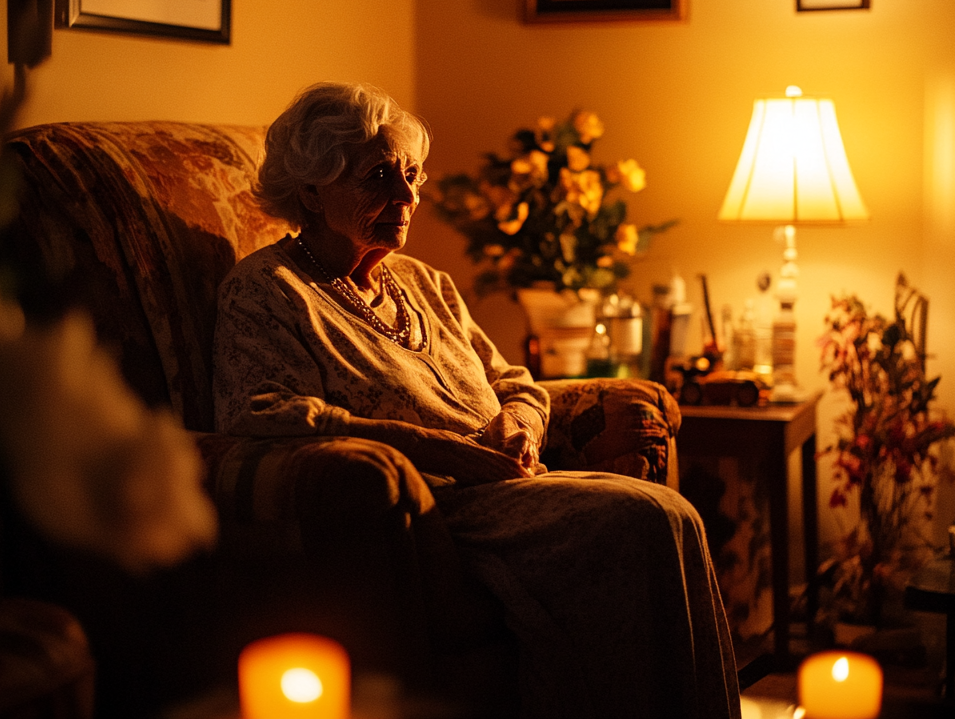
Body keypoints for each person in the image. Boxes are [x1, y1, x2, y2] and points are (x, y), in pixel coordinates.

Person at [212, 81, 741, 719]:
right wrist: (447, 452)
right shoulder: (268, 290)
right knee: (650, 518)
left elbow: (515, 381)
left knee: (669, 515)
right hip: (435, 510)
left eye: (410, 174)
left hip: (511, 484)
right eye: (380, 177)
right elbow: (262, 414)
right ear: (311, 191)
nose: (407, 197)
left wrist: (519, 422)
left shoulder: (423, 282)